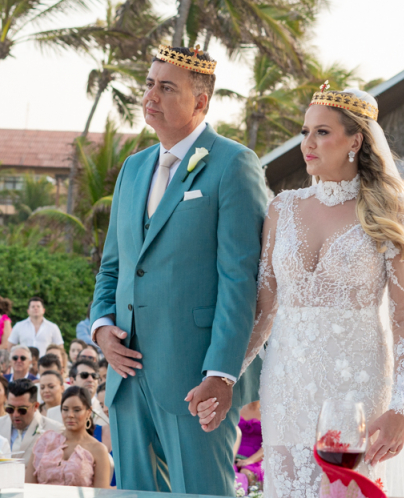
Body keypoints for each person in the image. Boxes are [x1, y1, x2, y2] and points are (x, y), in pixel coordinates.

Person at [223, 87, 404, 498]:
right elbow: (264, 308)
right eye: (305, 131)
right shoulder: (282, 208)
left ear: (355, 140)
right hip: (286, 385)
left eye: (322, 132)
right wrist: (224, 375)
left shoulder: (389, 209)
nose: (307, 143)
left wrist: (401, 406)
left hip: (356, 390)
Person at [89, 44, 266, 495]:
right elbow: (113, 266)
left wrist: (222, 373)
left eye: (167, 87)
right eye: (149, 83)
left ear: (201, 101)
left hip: (195, 379)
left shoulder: (233, 163)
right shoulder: (133, 168)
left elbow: (239, 279)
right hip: (126, 379)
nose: (151, 95)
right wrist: (102, 328)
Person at [25, 386, 111, 487]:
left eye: (77, 410)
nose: (70, 415)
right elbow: (29, 487)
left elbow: (101, 494)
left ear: (88, 412)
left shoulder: (98, 449)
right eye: (65, 409)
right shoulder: (45, 441)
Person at [0, 379, 64, 460]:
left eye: (22, 410)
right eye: (10, 409)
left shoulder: (55, 430)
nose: (15, 414)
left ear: (36, 406)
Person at [234, 401, 263, 492]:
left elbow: (269, 445)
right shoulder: (237, 408)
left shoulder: (268, 411)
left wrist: (249, 461)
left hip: (257, 459)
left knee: (246, 472)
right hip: (235, 456)